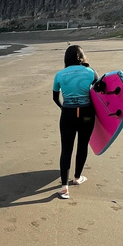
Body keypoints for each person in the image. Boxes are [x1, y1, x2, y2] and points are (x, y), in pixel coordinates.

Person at [52, 45, 97, 199]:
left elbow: (55, 98)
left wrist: (64, 108)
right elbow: (99, 92)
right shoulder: (91, 72)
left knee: (66, 149)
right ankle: (77, 178)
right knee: (83, 145)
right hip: (87, 114)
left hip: (68, 114)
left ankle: (64, 188)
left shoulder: (59, 75)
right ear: (82, 57)